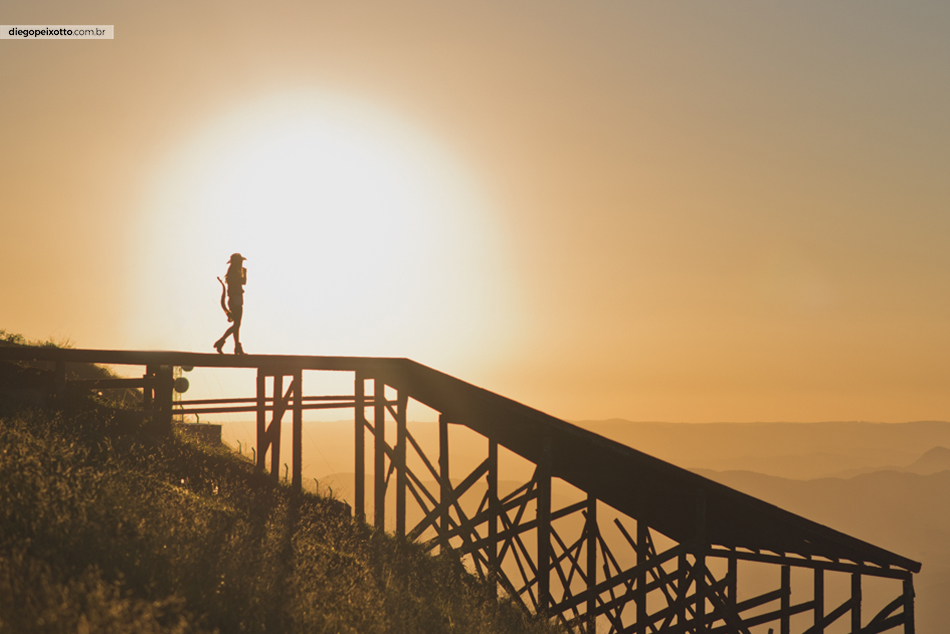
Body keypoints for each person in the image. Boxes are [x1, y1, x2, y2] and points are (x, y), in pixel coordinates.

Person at [214, 253, 247, 354]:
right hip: (235, 299)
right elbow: (242, 282)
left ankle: (236, 346)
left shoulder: (233, 272)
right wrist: (245, 273)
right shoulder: (234, 273)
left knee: (237, 325)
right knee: (237, 325)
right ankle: (225, 342)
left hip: (236, 299)